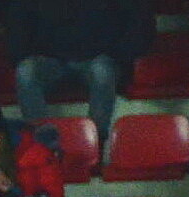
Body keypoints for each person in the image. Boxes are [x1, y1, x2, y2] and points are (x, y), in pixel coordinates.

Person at [9, 0, 153, 132]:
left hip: (99, 57)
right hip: (48, 59)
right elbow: (18, 22)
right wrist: (23, 52)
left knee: (102, 71)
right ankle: (43, 140)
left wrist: (117, 55)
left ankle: (95, 141)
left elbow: (139, 22)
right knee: (26, 71)